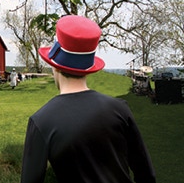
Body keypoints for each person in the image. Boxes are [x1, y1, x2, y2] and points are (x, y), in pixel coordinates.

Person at [21, 15, 156, 183]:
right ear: (89, 67)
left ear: (54, 66)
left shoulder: (41, 121)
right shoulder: (120, 109)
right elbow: (146, 174)